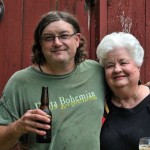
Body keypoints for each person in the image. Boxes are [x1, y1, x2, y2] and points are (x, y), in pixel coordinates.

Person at [0, 11, 105, 150]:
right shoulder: (20, 82)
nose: (57, 42)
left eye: (64, 36)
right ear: (40, 44)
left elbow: (129, 92)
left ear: (77, 40)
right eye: (48, 38)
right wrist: (18, 127)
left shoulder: (96, 71)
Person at [96, 32, 150, 150]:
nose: (117, 69)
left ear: (138, 65)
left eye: (123, 62)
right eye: (110, 65)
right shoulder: (99, 106)